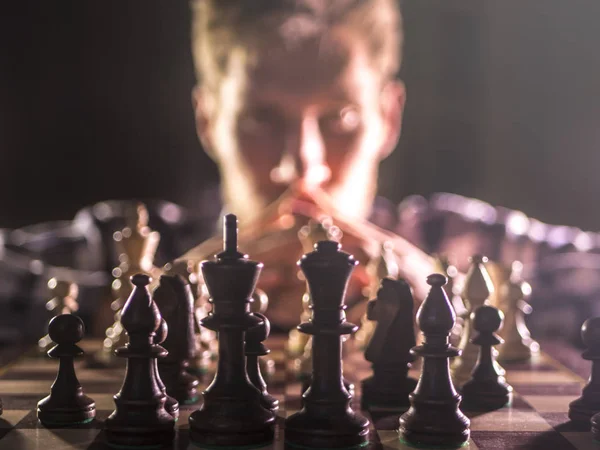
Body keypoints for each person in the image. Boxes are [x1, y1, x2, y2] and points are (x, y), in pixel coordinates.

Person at [180, 0, 434, 329]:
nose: (300, 169)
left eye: (341, 118)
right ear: (207, 121)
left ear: (389, 118)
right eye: (260, 120)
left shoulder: (498, 246)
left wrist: (449, 315)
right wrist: (169, 307)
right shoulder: (104, 248)